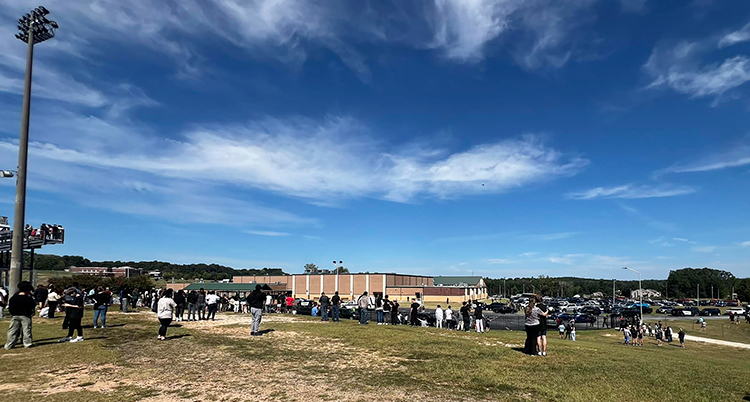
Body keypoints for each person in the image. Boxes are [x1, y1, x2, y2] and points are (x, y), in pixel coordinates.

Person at [4, 281, 35, 349]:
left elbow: (10, 307)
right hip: (25, 316)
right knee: (26, 330)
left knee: (12, 330)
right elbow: (32, 305)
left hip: (15, 315)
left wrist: (13, 313)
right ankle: (27, 343)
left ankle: (9, 344)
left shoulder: (14, 298)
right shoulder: (28, 298)